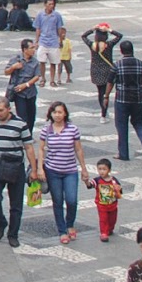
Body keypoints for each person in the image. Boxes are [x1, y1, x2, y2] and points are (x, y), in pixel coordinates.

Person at [0, 97, 40, 247]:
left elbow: (29, 147)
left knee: (16, 204)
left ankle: (13, 233)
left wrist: (34, 170)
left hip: (16, 166)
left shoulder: (20, 125)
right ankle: (1, 222)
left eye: (1, 110)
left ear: (8, 109)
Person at [40, 101, 90, 244]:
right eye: (55, 112)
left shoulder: (73, 129)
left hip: (70, 170)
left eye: (60, 112)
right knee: (57, 201)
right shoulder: (46, 130)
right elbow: (41, 149)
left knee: (72, 200)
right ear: (50, 114)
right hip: (52, 170)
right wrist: (39, 168)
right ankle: (62, 230)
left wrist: (84, 168)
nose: (57, 115)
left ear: (65, 113)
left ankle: (70, 224)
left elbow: (78, 149)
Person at [110, 39, 142, 162]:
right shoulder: (141, 65)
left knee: (122, 126)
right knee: (139, 123)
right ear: (132, 50)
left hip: (122, 99)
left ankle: (123, 153)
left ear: (121, 51)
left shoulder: (117, 65)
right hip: (138, 99)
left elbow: (110, 82)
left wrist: (105, 96)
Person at [82, 23, 122, 120]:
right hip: (107, 71)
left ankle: (103, 113)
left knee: (100, 92)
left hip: (95, 70)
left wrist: (92, 28)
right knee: (106, 93)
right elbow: (119, 36)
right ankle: (104, 113)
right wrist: (109, 30)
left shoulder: (92, 45)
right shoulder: (108, 45)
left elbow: (83, 36)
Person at [4, 38, 41, 127]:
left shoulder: (35, 62)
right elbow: (6, 72)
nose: (33, 50)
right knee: (22, 117)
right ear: (25, 49)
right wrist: (13, 67)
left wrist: (26, 85)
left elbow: (37, 76)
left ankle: (29, 135)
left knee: (31, 116)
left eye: (34, 48)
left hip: (31, 92)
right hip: (19, 93)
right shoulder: (15, 59)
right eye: (31, 48)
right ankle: (23, 136)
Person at [91, 158, 123, 241]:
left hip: (113, 204)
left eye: (104, 169)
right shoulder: (97, 180)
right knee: (103, 219)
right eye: (100, 169)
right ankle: (104, 233)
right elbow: (90, 185)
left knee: (113, 219)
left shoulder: (113, 180)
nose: (102, 171)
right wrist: (86, 181)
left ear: (109, 170)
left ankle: (110, 229)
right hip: (101, 205)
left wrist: (118, 189)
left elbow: (120, 190)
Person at [32, 0, 65, 74]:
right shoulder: (40, 15)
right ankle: (43, 78)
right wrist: (36, 41)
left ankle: (52, 80)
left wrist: (60, 40)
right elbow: (38, 28)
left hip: (53, 41)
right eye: (49, 4)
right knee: (41, 61)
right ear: (45, 5)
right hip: (43, 41)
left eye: (52, 4)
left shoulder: (57, 15)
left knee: (53, 62)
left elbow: (59, 28)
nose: (51, 6)